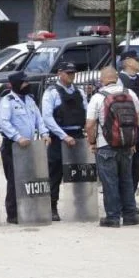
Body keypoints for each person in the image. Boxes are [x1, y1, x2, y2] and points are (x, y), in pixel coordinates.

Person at [85, 66, 139, 227]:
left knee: (110, 182)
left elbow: (90, 124)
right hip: (126, 145)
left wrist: (92, 143)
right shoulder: (130, 94)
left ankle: (113, 217)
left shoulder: (98, 97)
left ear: (102, 80)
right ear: (116, 77)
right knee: (126, 180)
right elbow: (138, 118)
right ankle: (130, 215)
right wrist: (132, 141)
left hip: (105, 146)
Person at [0, 71, 49, 224]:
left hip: (30, 145)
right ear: (15, 85)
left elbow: (38, 119)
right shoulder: (7, 101)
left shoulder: (30, 100)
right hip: (13, 145)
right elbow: (3, 122)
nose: (27, 85)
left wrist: (44, 133)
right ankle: (13, 214)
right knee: (14, 180)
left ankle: (28, 209)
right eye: (24, 83)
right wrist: (17, 137)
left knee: (30, 178)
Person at [41, 62, 86, 221]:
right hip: (59, 137)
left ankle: (81, 205)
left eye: (73, 73)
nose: (71, 76)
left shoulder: (79, 91)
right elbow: (47, 117)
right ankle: (52, 206)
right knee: (55, 173)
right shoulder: (51, 92)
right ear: (60, 73)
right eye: (68, 73)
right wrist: (63, 136)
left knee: (80, 172)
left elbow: (86, 113)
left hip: (78, 136)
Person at [118, 50, 139, 211]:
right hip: (125, 128)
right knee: (125, 166)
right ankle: (122, 202)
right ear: (127, 61)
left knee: (136, 166)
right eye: (137, 60)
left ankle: (130, 202)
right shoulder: (119, 81)